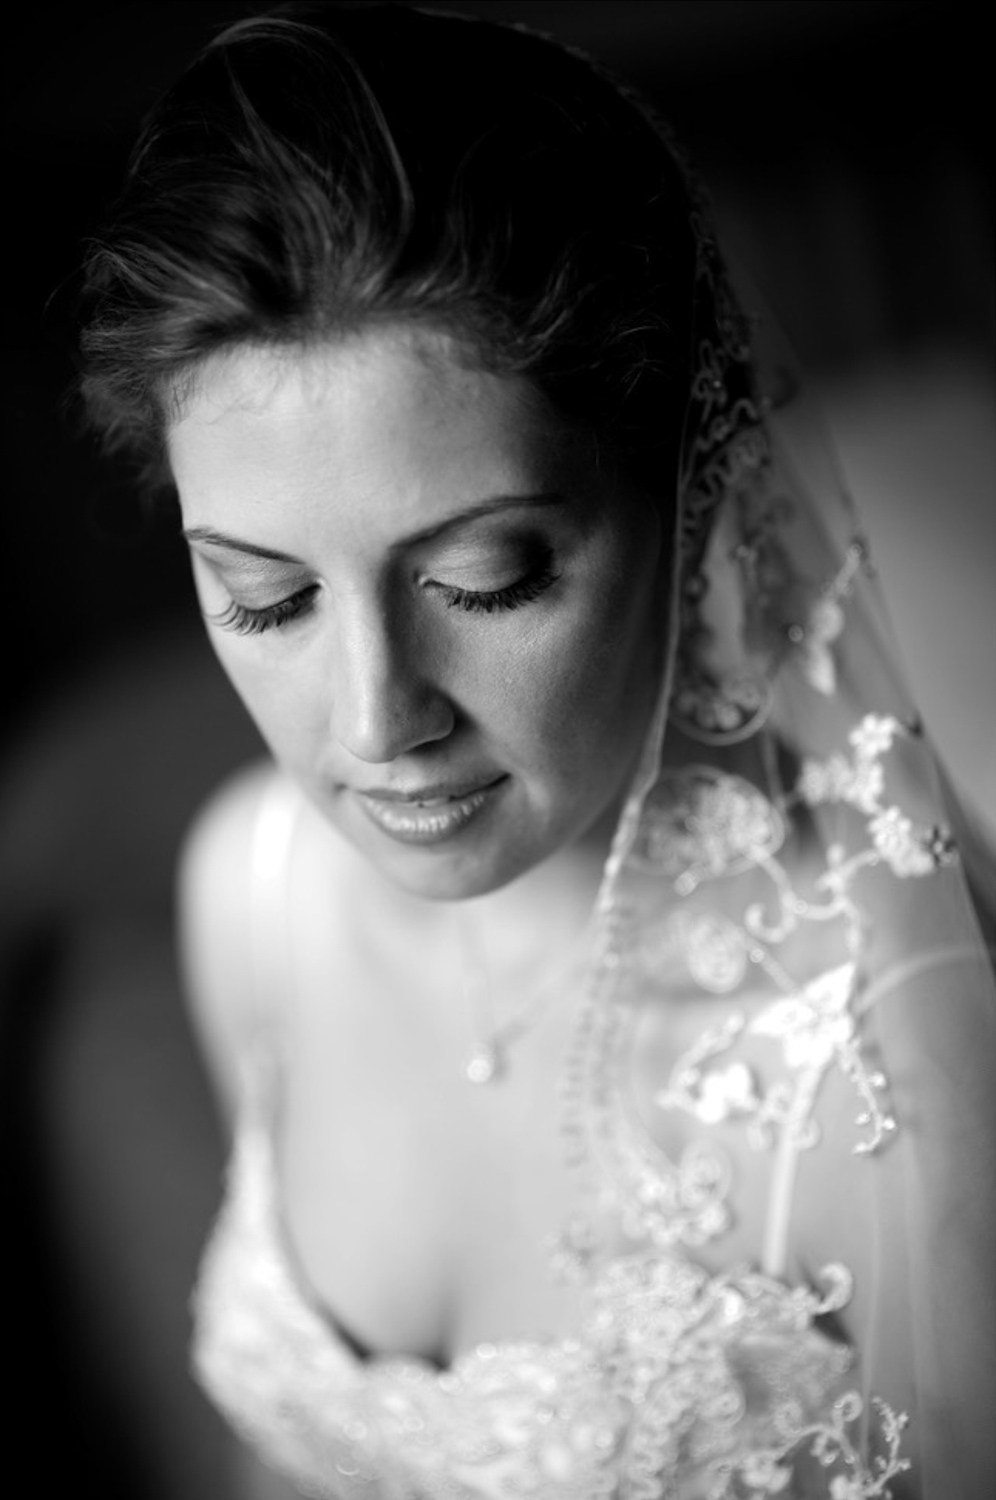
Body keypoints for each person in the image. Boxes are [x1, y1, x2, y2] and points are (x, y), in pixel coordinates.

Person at [76, 3, 995, 1496]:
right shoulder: (248, 884)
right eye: (265, 597)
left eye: (488, 580)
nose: (379, 723)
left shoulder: (898, 1055)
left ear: (686, 492)